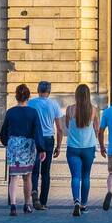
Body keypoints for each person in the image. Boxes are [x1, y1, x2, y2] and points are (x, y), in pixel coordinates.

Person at [0, 84, 46, 216]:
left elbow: (4, 130)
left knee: (13, 177)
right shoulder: (33, 112)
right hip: (28, 145)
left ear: (16, 96)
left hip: (14, 144)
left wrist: (6, 142)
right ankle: (27, 204)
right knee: (27, 177)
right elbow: (37, 131)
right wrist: (41, 148)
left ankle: (13, 205)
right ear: (28, 97)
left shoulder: (10, 112)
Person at [65, 84, 100, 216]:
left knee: (75, 176)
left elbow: (67, 126)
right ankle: (84, 205)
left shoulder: (69, 109)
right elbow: (97, 129)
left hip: (73, 147)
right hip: (88, 148)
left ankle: (76, 202)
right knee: (86, 176)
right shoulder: (94, 110)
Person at [30, 81, 64, 211]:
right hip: (48, 139)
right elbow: (60, 128)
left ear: (38, 90)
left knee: (34, 169)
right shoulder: (54, 104)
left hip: (35, 138)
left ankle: (34, 190)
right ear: (49, 91)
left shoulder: (32, 103)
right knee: (45, 172)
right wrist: (59, 147)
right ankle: (43, 202)